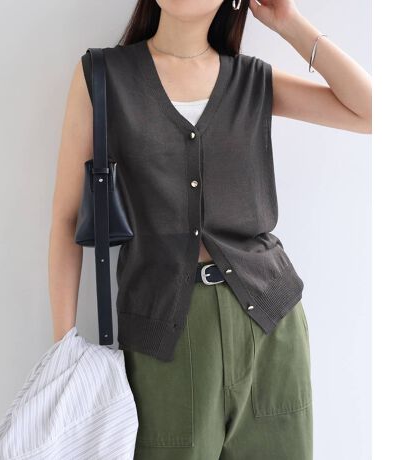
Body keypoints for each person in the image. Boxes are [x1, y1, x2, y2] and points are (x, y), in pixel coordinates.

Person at [48, 1, 372, 459]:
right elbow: (67, 219)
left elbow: (373, 112)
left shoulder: (252, 80)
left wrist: (290, 24)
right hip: (163, 334)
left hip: (271, 326)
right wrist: (64, 351)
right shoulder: (102, 78)